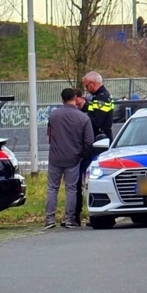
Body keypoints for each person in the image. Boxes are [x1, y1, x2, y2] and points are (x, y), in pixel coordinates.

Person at [45, 88, 94, 229]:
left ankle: (49, 219)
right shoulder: (83, 118)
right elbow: (89, 141)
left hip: (55, 157)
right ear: (75, 98)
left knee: (52, 188)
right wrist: (81, 155)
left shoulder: (53, 116)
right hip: (73, 158)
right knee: (71, 189)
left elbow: (49, 136)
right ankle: (70, 219)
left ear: (62, 100)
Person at [72, 88, 93, 226]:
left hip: (89, 153)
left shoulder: (90, 110)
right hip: (77, 154)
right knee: (76, 185)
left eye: (76, 100)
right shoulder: (73, 113)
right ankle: (75, 216)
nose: (75, 103)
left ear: (81, 98)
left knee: (90, 184)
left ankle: (93, 214)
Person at [81, 70, 115, 143]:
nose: (86, 89)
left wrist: (82, 119)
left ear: (92, 84)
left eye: (86, 86)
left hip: (101, 139)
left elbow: (97, 122)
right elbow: (92, 112)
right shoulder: (98, 96)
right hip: (100, 138)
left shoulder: (101, 98)